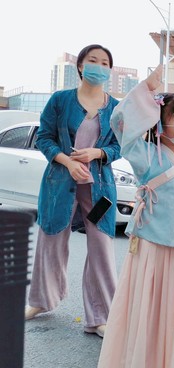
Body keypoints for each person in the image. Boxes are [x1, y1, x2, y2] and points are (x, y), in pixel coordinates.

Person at [92, 64, 174, 368]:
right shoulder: (146, 157)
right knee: (146, 318)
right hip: (151, 254)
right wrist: (147, 88)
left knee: (171, 323)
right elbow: (119, 122)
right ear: (160, 125)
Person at [25, 44, 121, 339]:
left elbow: (119, 146)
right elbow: (44, 138)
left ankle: (101, 317)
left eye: (104, 63)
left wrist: (97, 153)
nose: (98, 66)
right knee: (51, 240)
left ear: (109, 70)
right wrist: (68, 162)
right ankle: (41, 300)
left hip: (99, 189)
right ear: (80, 65)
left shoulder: (116, 107)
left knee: (101, 248)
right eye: (93, 60)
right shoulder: (60, 100)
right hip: (59, 184)